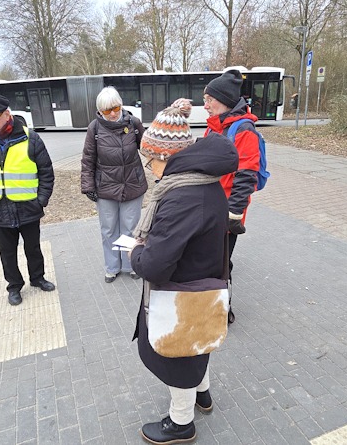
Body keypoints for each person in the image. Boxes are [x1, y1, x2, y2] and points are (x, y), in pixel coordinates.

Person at [129, 106, 239, 444]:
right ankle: (202, 394)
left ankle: (181, 423)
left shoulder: (181, 196)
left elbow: (155, 265)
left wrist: (135, 252)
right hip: (203, 286)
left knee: (178, 354)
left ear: (165, 154)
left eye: (150, 160)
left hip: (181, 293)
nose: (149, 168)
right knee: (198, 343)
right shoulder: (203, 182)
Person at [175, 69, 261, 323]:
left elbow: (246, 176)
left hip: (226, 213)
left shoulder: (243, 130)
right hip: (210, 207)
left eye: (210, 99)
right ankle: (211, 304)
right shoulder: (215, 127)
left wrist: (234, 215)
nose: (206, 104)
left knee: (222, 264)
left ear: (224, 100)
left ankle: (224, 311)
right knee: (211, 261)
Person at [0, 94, 56, 306]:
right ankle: (14, 286)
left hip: (28, 208)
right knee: (7, 253)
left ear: (7, 114)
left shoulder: (30, 138)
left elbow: (46, 172)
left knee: (33, 248)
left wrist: (41, 200)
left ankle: (38, 278)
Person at [80, 86, 146, 283]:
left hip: (132, 184)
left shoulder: (133, 123)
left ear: (121, 105)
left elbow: (148, 148)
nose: (113, 113)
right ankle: (112, 267)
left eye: (115, 108)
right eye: (107, 110)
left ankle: (130, 264)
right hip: (106, 187)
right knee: (108, 229)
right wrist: (88, 186)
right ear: (100, 111)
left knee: (130, 228)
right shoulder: (95, 128)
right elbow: (88, 159)